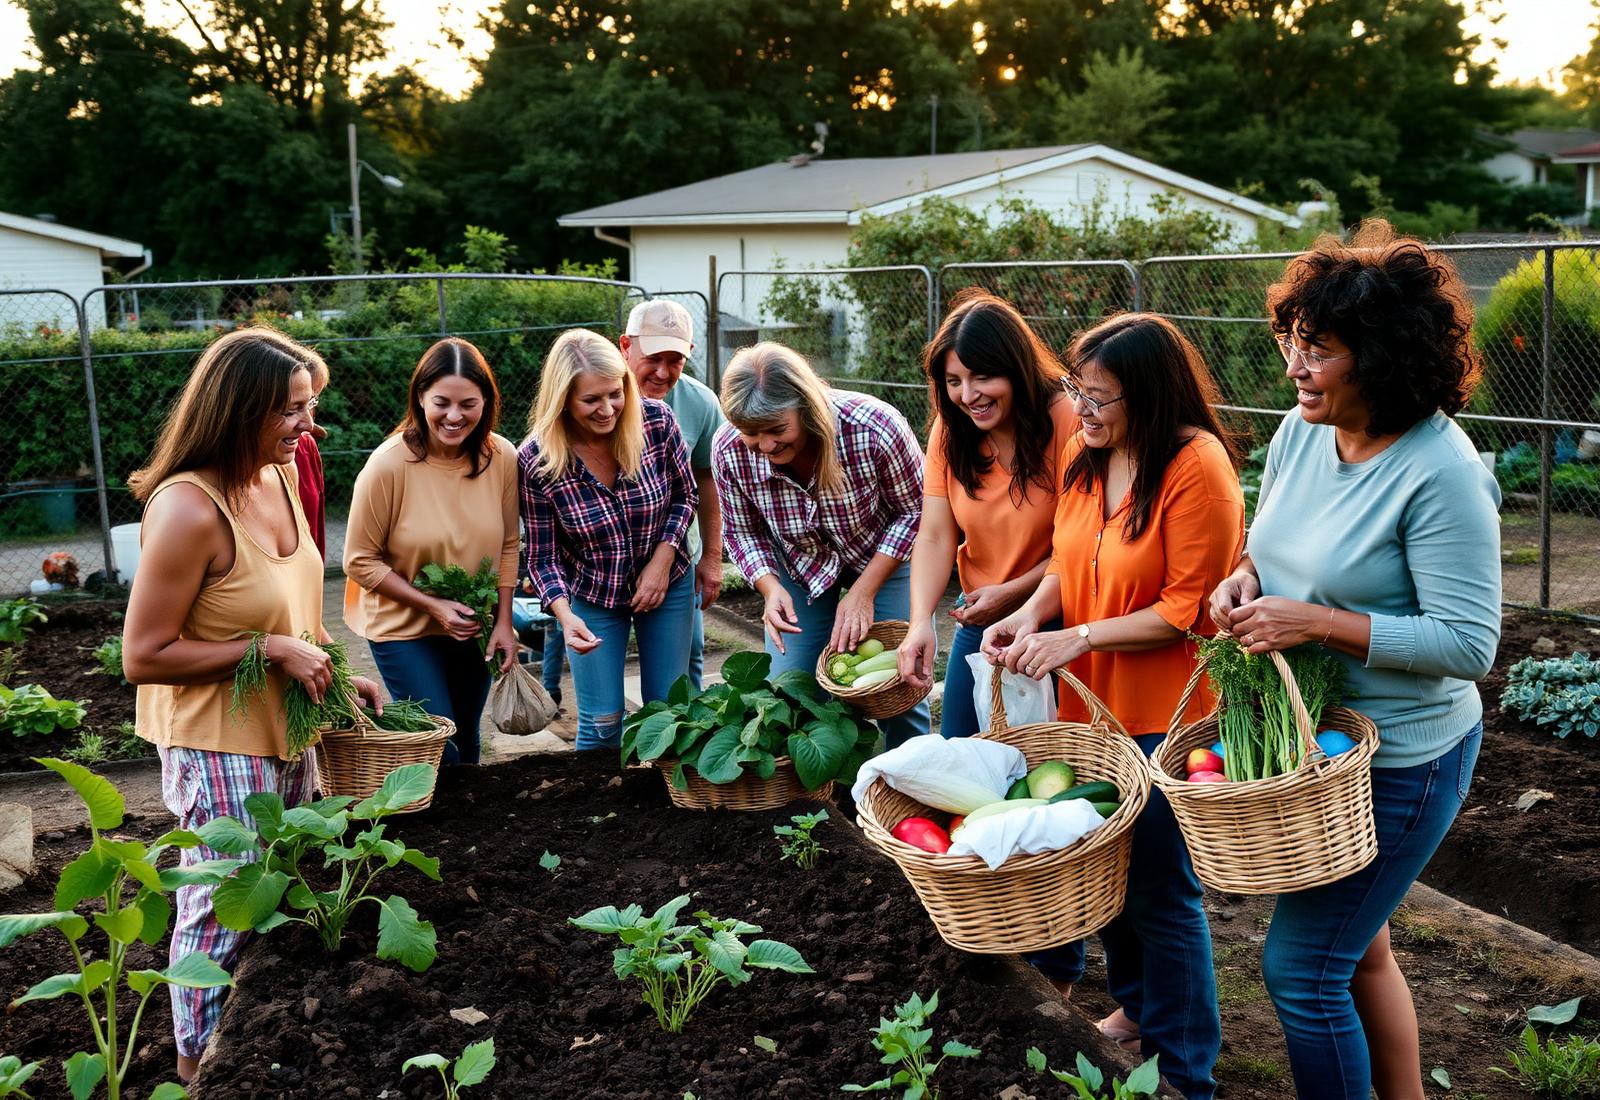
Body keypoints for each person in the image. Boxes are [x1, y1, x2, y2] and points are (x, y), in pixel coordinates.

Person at [1208, 223, 1501, 1100]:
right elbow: (1275, 546)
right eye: (1291, 341)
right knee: (1358, 947)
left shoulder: (1440, 472)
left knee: (1303, 973)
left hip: (1404, 757)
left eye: (1319, 350)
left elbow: (1468, 645)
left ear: (1381, 358)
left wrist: (1315, 621)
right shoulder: (1306, 430)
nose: (1295, 365)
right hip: (1324, 742)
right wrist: (1243, 578)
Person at [982, 313, 1245, 1100]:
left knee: (1163, 887)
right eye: (1077, 391)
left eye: (1099, 398)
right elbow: (1074, 557)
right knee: (1112, 870)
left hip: (1172, 708)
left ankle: (1186, 1069)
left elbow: (1183, 607)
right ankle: (1134, 1012)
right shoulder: (1085, 454)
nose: (1082, 411)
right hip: (1094, 704)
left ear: (1152, 396)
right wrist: (1032, 616)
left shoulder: (1197, 466)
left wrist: (1076, 638)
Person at [122, 327, 384, 1081]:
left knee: (275, 886)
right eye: (293, 411)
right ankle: (197, 1064)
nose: (312, 426)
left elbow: (292, 607)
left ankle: (254, 1042)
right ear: (240, 412)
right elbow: (144, 655)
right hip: (217, 740)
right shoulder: (188, 509)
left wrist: (333, 667)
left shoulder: (282, 472)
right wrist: (271, 652)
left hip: (285, 726)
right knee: (224, 897)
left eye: (309, 406)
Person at [713, 341, 930, 748]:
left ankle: (910, 787)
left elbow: (917, 513)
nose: (765, 446)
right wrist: (769, 587)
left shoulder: (873, 427)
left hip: (885, 552)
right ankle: (821, 801)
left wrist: (864, 591)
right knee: (790, 690)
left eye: (777, 429)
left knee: (900, 682)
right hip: (800, 563)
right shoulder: (727, 449)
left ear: (807, 408)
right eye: (750, 434)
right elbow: (742, 532)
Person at [897, 289, 1079, 739]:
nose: (967, 395)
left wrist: (1013, 592)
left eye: (981, 377)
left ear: (1015, 368)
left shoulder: (1067, 418)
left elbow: (1084, 541)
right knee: (960, 744)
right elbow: (936, 536)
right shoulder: (950, 429)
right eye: (954, 381)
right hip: (983, 622)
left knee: (1048, 757)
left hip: (1061, 616)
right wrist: (920, 621)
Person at [343, 338, 520, 765]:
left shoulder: (503, 458)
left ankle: (468, 833)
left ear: (486, 403)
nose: (455, 416)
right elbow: (359, 560)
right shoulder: (388, 465)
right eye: (442, 402)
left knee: (469, 738)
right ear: (420, 396)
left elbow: (509, 544)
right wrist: (432, 605)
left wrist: (504, 622)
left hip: (472, 624)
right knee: (443, 743)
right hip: (404, 627)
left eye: (469, 404)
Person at [519, 327, 698, 749]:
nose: (608, 409)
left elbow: (685, 494)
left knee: (668, 714)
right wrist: (566, 617)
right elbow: (542, 557)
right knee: (601, 724)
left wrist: (661, 561)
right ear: (563, 400)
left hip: (667, 584)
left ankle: (674, 805)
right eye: (591, 400)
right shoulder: (538, 460)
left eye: (615, 393)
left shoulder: (655, 421)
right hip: (593, 595)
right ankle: (600, 812)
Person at [620, 299, 725, 690]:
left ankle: (684, 747)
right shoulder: (595, 396)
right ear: (626, 346)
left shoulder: (700, 403)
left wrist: (712, 559)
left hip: (678, 557)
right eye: (653, 357)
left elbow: (707, 482)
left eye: (675, 360)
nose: (663, 372)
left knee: (686, 661)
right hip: (604, 562)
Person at [292, 352, 329, 560]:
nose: (308, 419)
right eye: (297, 405)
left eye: (313, 401)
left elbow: (316, 521)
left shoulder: (306, 445)